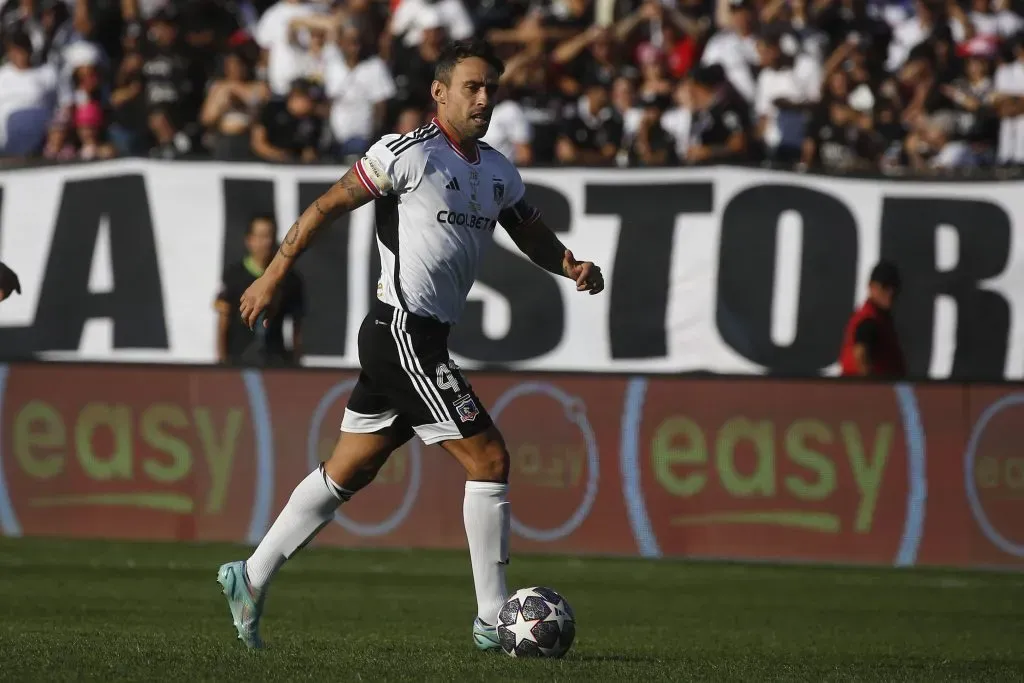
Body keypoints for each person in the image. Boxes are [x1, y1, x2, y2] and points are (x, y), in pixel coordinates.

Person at [216, 38, 604, 652]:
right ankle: (492, 619)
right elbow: (325, 206)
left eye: (491, 89)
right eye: (472, 87)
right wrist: (271, 275)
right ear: (439, 92)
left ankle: (251, 576)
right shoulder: (405, 154)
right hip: (401, 330)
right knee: (491, 461)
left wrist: (568, 263)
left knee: (351, 468)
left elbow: (527, 228)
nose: (484, 98)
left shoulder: (498, 170)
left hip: (418, 337)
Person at [214, 215, 305, 366]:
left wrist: (296, 360)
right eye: (261, 236)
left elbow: (297, 324)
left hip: (275, 362)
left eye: (270, 236)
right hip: (238, 362)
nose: (267, 242)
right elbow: (223, 320)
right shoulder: (234, 276)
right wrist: (222, 361)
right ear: (249, 240)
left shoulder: (290, 279)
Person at [839, 260, 906, 378]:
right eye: (885, 287)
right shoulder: (869, 319)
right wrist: (872, 387)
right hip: (864, 392)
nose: (890, 292)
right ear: (871, 287)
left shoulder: (880, 317)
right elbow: (860, 353)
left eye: (894, 287)